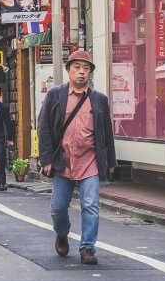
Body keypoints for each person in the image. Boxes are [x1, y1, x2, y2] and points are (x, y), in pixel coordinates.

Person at [37, 50, 116, 265]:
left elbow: (107, 132)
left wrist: (110, 161)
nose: (81, 73)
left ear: (90, 72)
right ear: (69, 71)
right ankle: (62, 233)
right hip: (62, 160)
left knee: (90, 204)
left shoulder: (99, 99)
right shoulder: (55, 94)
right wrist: (46, 159)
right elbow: (43, 127)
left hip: (89, 160)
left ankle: (87, 247)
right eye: (77, 68)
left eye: (86, 69)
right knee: (58, 207)